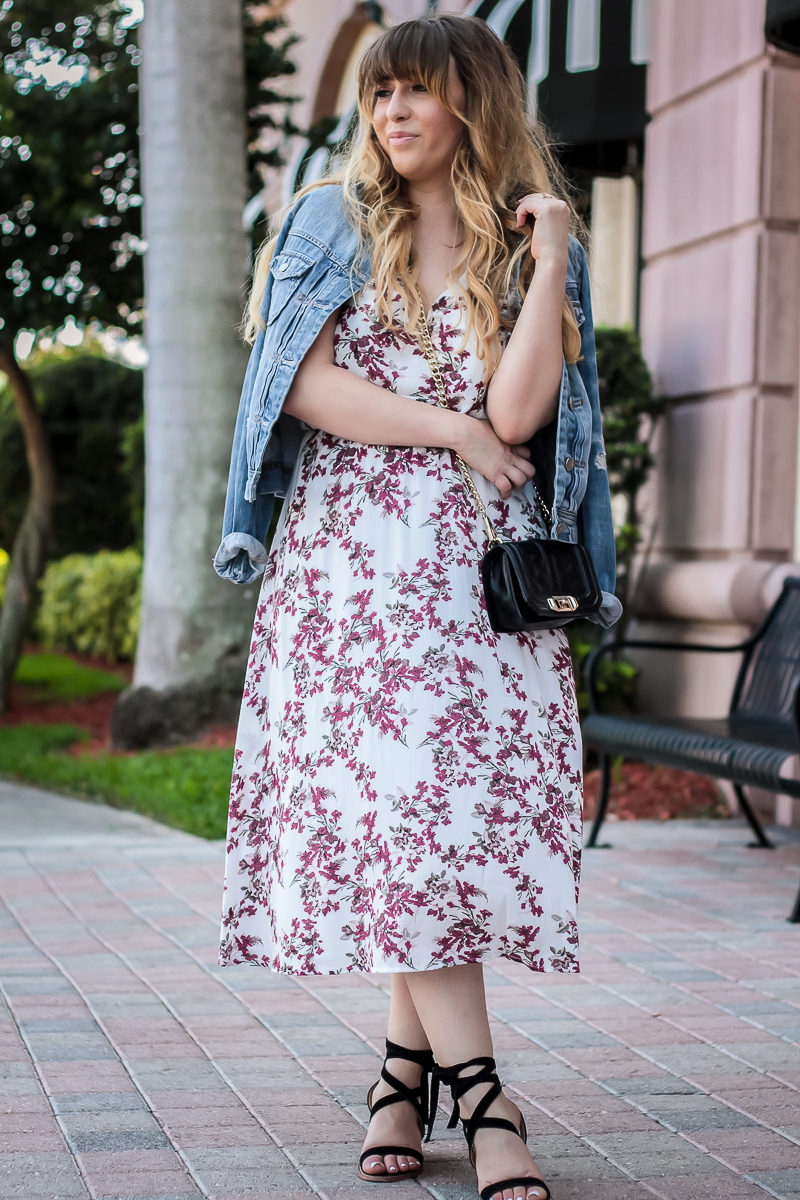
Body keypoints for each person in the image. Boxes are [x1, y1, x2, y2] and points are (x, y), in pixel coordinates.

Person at [214, 14, 620, 1200]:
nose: (391, 114)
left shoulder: (521, 237)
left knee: (430, 830)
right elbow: (302, 386)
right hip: (353, 569)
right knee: (405, 823)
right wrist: (444, 429)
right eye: (379, 93)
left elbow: (524, 411)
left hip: (483, 579)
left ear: (472, 105)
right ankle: (486, 1102)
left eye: (417, 94)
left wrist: (548, 260)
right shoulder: (327, 221)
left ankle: (401, 1072)